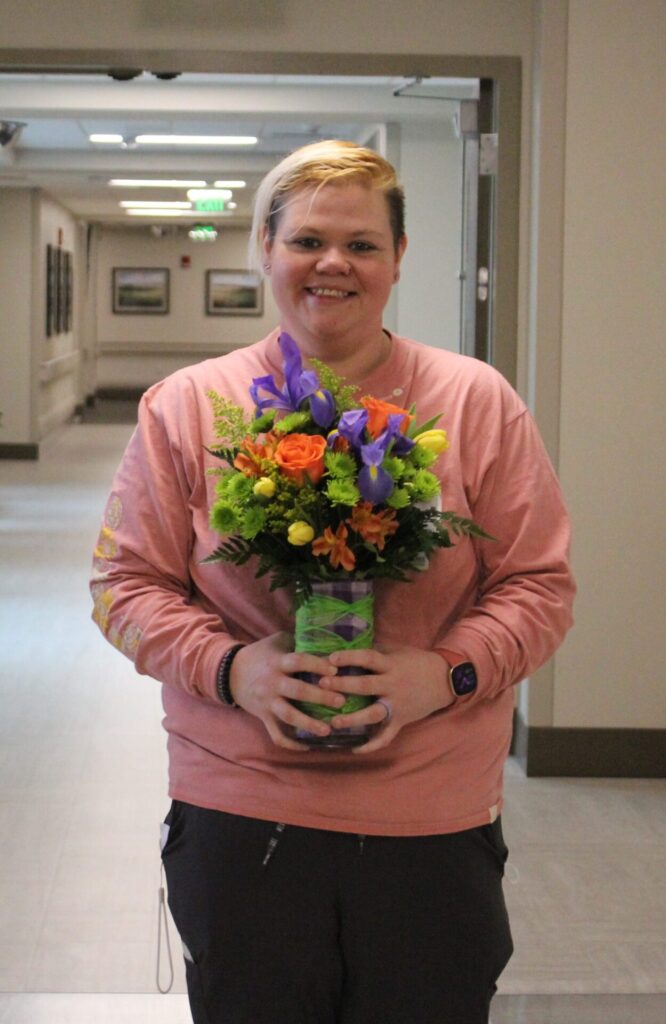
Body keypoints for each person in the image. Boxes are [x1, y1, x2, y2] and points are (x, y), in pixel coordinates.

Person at [90, 140, 575, 1024]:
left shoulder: (475, 402)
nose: (333, 264)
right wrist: (234, 669)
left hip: (432, 817)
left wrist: (449, 672)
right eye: (308, 240)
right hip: (243, 812)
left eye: (362, 244)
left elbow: (540, 587)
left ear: (397, 261)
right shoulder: (190, 406)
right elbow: (122, 589)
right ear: (266, 251)